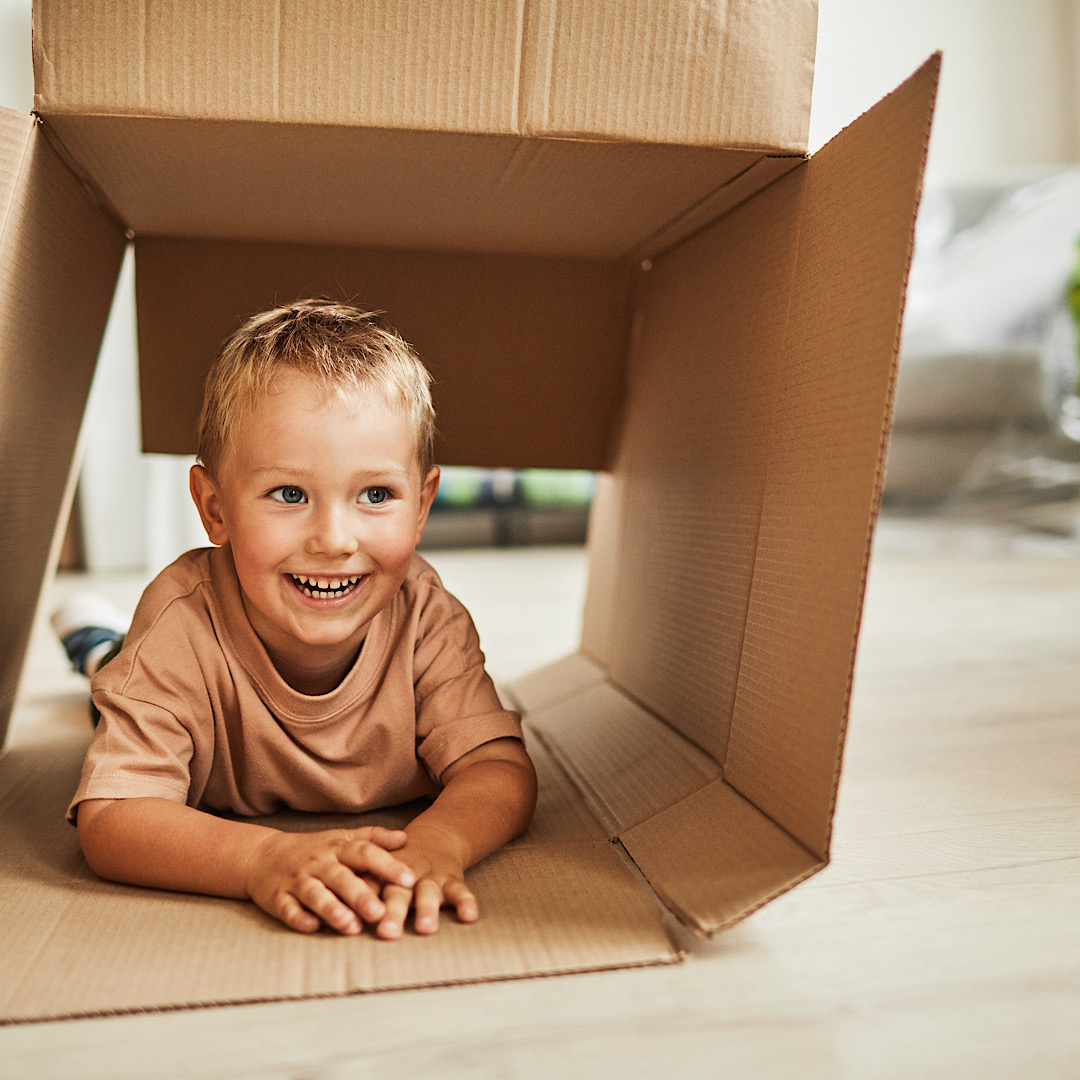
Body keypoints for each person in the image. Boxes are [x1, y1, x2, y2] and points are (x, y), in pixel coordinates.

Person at [59, 299, 537, 940]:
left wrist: (440, 843)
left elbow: (498, 768)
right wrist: (260, 858)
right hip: (157, 680)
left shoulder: (427, 616)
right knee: (114, 670)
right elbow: (113, 816)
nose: (334, 540)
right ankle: (94, 638)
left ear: (422, 506)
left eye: (376, 495)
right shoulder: (179, 625)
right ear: (215, 507)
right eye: (290, 494)